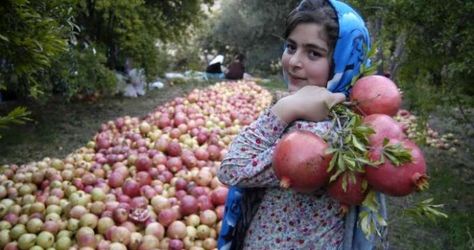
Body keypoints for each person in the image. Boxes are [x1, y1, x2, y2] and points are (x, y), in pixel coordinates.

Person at [217, 0, 387, 249]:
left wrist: (284, 109)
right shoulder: (348, 121)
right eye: (291, 47)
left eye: (313, 53)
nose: (294, 61)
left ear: (342, 61)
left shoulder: (320, 136)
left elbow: (231, 169)